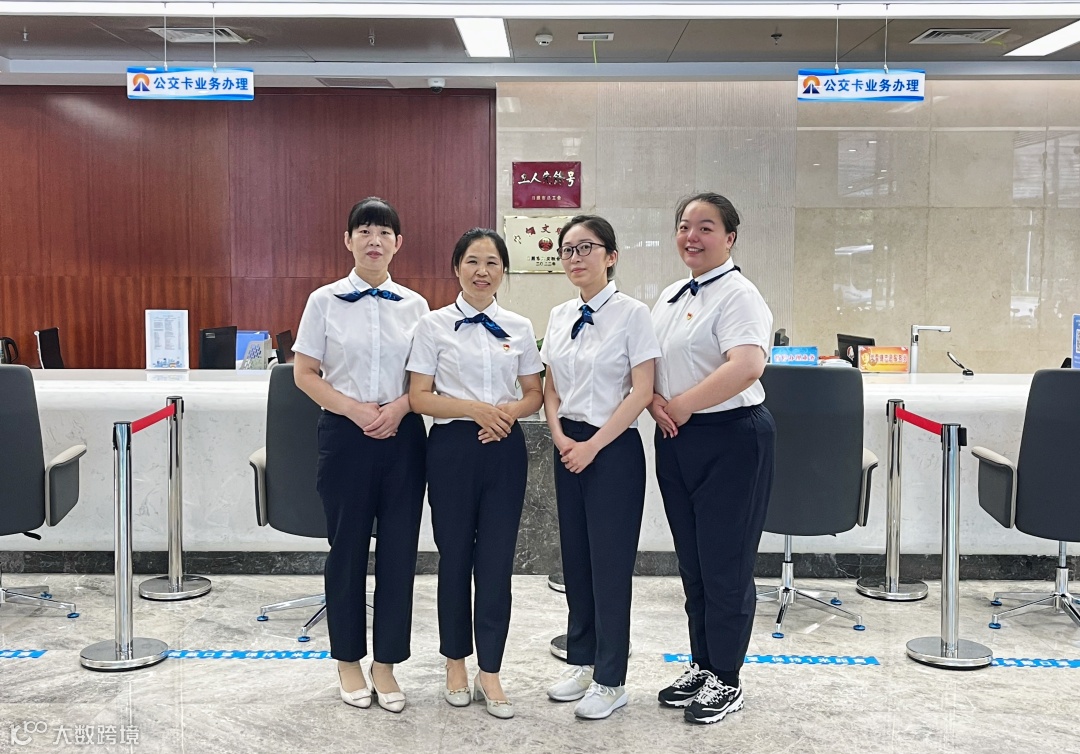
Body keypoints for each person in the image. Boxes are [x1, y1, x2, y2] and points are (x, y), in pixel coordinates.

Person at [292, 197, 429, 713]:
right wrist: (354, 410)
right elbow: (305, 374)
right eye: (365, 231)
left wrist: (399, 408)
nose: (375, 240)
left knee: (399, 552)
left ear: (398, 243)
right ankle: (348, 660)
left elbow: (424, 379)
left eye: (385, 232)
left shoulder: (416, 306)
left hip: (403, 436)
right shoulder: (323, 301)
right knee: (346, 549)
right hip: (345, 435)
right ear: (348, 240)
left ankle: (386, 664)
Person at [649, 192, 776, 725]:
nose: (692, 237)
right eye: (685, 226)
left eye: (705, 227)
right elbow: (652, 360)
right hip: (677, 437)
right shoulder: (672, 294)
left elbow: (746, 366)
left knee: (725, 565)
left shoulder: (739, 295)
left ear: (730, 237)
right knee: (694, 564)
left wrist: (680, 404)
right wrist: (655, 400)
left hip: (731, 438)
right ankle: (702, 664)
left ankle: (727, 675)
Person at [407, 228, 544, 719]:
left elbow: (534, 392)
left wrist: (506, 413)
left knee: (496, 562)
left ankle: (491, 669)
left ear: (503, 270)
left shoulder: (519, 326)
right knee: (454, 559)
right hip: (452, 449)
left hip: (504, 446)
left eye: (491, 262)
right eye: (472, 261)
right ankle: (455, 662)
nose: (482, 271)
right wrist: (474, 409)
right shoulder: (433, 325)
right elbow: (419, 396)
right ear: (456, 268)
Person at [540, 215, 660, 720]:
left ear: (610, 256)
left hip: (612, 449)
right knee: (577, 562)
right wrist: (559, 436)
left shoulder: (633, 314)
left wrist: (592, 445)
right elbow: (550, 386)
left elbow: (642, 391)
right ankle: (583, 662)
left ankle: (612, 680)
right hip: (568, 444)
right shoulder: (559, 314)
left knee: (610, 567)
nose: (575, 257)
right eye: (567, 249)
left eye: (586, 247)